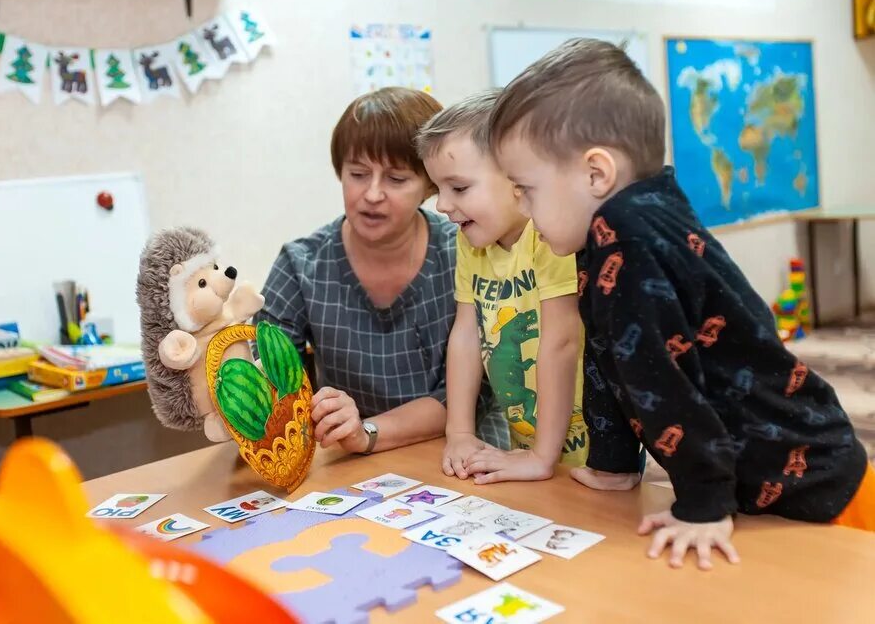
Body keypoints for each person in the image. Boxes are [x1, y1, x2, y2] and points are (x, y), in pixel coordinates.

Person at [488, 38, 874, 570]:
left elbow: (665, 382)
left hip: (810, 482)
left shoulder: (628, 238)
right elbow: (611, 358)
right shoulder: (611, 228)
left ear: (596, 174)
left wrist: (703, 505)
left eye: (526, 189)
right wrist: (614, 464)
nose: (524, 209)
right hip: (765, 479)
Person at [256, 87, 458, 455]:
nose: (373, 194)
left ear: (431, 184)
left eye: (396, 179)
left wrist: (367, 431)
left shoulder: (461, 256)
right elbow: (271, 384)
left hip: (454, 458)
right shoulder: (302, 264)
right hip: (347, 467)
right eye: (358, 173)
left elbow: (467, 396)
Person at [416, 90, 587, 485]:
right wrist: (458, 433)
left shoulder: (550, 235)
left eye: (458, 188)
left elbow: (562, 341)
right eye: (438, 188)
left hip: (591, 449)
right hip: (525, 446)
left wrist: (544, 457)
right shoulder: (470, 240)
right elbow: (466, 334)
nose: (441, 205)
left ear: (517, 180)